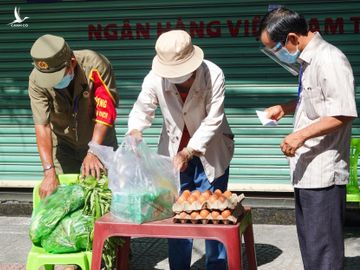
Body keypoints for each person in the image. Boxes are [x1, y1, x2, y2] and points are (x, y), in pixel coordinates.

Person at [258, 7, 357, 270]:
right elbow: (315, 100)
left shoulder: (330, 59)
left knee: (323, 252)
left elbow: (343, 113)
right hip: (307, 171)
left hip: (323, 172)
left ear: (291, 38)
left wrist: (300, 135)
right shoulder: (308, 61)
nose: (275, 54)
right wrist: (285, 108)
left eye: (275, 48)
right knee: (312, 248)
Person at [127, 30, 234, 270]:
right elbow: (142, 108)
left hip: (211, 151)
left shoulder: (213, 74)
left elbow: (213, 120)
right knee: (178, 215)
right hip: (173, 155)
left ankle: (216, 265)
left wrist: (188, 151)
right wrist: (135, 131)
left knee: (213, 215)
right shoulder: (155, 77)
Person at [29, 34, 119, 199]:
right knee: (63, 200)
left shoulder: (95, 65)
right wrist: (49, 171)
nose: (52, 83)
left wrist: (94, 151)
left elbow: (105, 113)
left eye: (57, 77)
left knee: (104, 198)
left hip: (99, 143)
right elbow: (42, 125)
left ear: (72, 63)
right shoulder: (36, 80)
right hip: (64, 147)